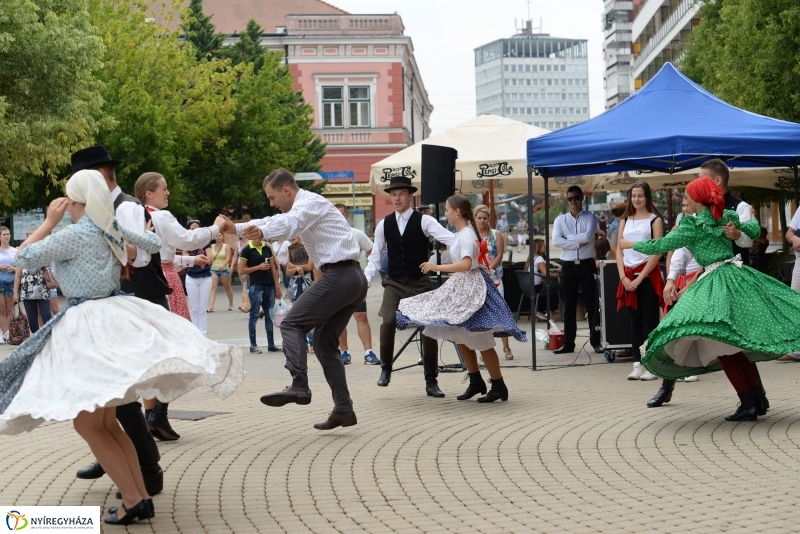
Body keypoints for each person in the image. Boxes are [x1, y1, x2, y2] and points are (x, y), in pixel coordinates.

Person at [0, 170, 243, 524]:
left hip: (86, 325)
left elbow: (22, 257)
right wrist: (126, 241)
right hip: (112, 316)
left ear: (78, 200)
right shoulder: (106, 227)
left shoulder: (75, 232)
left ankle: (134, 498)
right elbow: (152, 245)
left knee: (89, 425)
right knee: (107, 423)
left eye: (68, 198)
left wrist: (48, 222)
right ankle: (140, 496)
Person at [621, 176, 800, 421]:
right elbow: (755, 230)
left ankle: (750, 401)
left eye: (687, 196)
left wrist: (631, 244)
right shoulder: (725, 215)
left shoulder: (692, 224)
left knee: (722, 346)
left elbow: (662, 244)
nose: (686, 200)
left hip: (717, 282)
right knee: (730, 346)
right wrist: (738, 231)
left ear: (696, 199)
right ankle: (755, 399)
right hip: (734, 278)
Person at [218, 168, 367, 431]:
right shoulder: (303, 207)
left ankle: (299, 383)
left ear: (287, 191)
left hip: (342, 276)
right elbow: (275, 220)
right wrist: (241, 228)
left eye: (273, 197)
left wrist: (246, 229)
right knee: (323, 342)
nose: (272, 203)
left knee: (290, 324)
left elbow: (284, 225)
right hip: (349, 277)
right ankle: (344, 409)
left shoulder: (308, 203)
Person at [70, 146, 169, 498]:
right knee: (111, 397)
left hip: (131, 300)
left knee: (122, 396)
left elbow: (139, 256)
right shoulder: (101, 209)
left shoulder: (124, 206)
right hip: (114, 304)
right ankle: (115, 457)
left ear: (95, 175)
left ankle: (146, 469)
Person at [396, 195, 526, 402]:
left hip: (473, 290)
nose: (446, 213)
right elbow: (458, 258)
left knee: (480, 338)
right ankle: (476, 380)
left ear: (457, 212)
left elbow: (466, 265)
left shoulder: (466, 235)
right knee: (460, 333)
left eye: (447, 209)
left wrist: (436, 267)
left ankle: (498, 385)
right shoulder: (461, 235)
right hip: (463, 288)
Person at [134, 171, 218, 441]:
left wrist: (192, 263)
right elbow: (188, 240)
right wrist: (216, 228)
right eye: (164, 188)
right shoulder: (162, 216)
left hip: (149, 280)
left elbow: (161, 257)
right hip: (166, 284)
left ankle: (153, 416)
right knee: (176, 349)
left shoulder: (138, 216)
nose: (167, 193)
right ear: (149, 192)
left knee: (152, 354)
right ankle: (159, 413)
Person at [363, 176, 455, 397]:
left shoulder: (424, 221)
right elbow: (375, 257)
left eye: (401, 194)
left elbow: (451, 239)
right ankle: (386, 368)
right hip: (394, 282)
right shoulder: (384, 224)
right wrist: (366, 279)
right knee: (388, 321)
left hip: (419, 281)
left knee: (428, 326)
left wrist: (467, 255)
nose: (396, 198)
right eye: (393, 195)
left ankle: (431, 380)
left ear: (410, 196)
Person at [616, 181, 663, 381]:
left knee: (652, 321)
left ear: (647, 197)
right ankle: (637, 363)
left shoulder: (655, 220)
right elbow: (619, 249)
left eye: (640, 196)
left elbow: (658, 250)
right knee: (635, 322)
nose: (636, 199)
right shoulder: (625, 220)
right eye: (633, 196)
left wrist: (641, 277)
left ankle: (653, 365)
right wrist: (623, 277)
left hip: (647, 276)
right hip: (627, 276)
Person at [551, 185, 602, 354]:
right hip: (568, 265)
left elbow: (588, 237)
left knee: (592, 304)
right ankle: (569, 343)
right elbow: (556, 241)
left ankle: (596, 341)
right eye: (570, 199)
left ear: (582, 198)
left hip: (587, 264)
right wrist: (577, 242)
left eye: (576, 198)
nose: (573, 201)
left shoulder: (591, 217)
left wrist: (568, 239)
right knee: (569, 306)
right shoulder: (560, 220)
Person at [334, 204, 379, 365]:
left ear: (346, 215)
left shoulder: (356, 234)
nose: (338, 216)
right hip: (336, 282)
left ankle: (369, 353)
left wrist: (367, 276)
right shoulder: (329, 235)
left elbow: (374, 253)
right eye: (335, 214)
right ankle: (344, 353)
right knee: (340, 319)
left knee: (361, 316)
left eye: (341, 213)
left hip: (355, 280)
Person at [474, 205, 515, 360]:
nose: (482, 220)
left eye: (485, 218)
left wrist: (489, 269)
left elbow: (499, 255)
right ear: (475, 219)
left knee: (500, 310)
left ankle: (506, 347)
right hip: (478, 280)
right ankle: (485, 349)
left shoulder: (495, 234)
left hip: (494, 277)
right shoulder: (472, 236)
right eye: (479, 218)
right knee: (482, 313)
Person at [239, 235, 282, 353]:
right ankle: (253, 345)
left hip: (270, 284)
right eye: (255, 236)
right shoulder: (247, 249)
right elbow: (241, 270)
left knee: (269, 315)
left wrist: (277, 286)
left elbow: (273, 269)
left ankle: (271, 344)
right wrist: (259, 267)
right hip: (256, 285)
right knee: (254, 315)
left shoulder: (267, 248)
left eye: (260, 236)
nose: (258, 238)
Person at [285, 236, 316, 352]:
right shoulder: (290, 249)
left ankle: (313, 343)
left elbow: (310, 266)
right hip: (294, 285)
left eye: (295, 234)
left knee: (309, 314)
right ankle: (303, 344)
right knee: (298, 315)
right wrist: (297, 268)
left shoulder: (309, 247)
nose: (292, 237)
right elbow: (288, 271)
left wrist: (294, 267)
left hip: (307, 284)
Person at [181, 220, 212, 335]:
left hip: (205, 277)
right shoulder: (187, 243)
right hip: (191, 277)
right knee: (194, 308)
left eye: (197, 229)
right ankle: (195, 333)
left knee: (202, 308)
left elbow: (210, 257)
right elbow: (184, 255)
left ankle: (203, 333)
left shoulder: (205, 242)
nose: (195, 231)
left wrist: (202, 260)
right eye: (192, 229)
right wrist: (194, 260)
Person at [13, 265, 52, 334]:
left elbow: (48, 264)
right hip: (27, 293)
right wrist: (15, 293)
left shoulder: (40, 255)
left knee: (47, 315)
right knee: (32, 319)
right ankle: (36, 337)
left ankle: (48, 335)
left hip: (43, 291)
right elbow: (17, 277)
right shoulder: (22, 258)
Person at [528, 236, 560, 319]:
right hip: (537, 287)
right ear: (538, 248)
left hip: (529, 287)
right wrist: (557, 276)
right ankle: (549, 312)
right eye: (544, 246)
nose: (545, 247)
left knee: (548, 289)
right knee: (556, 290)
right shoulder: (539, 258)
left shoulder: (532, 258)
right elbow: (546, 273)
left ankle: (540, 310)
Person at [207, 234, 234, 312]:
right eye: (217, 236)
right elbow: (209, 257)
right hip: (213, 269)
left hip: (224, 269)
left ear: (222, 237)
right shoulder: (211, 246)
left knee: (227, 287)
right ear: (214, 238)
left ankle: (231, 303)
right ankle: (211, 306)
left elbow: (228, 257)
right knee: (213, 287)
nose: (218, 237)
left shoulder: (226, 246)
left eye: (220, 236)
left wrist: (223, 264)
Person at [0, 226, 17, 343]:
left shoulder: (15, 251)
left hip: (11, 283)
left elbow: (20, 267)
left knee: (9, 310)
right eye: (4, 234)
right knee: (1, 310)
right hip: (0, 283)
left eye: (8, 234)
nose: (6, 236)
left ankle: (9, 333)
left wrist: (14, 268)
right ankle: (6, 334)